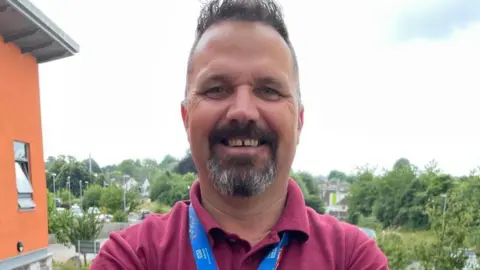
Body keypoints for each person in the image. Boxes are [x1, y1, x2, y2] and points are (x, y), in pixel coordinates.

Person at [90, 0, 389, 269]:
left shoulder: (352, 257)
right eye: (216, 89)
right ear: (186, 118)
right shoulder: (131, 257)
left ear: (298, 121)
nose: (243, 111)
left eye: (269, 90)